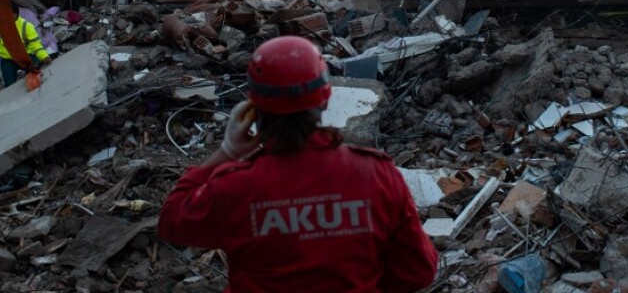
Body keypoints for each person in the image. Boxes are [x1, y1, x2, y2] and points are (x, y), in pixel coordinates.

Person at [157, 36, 438, 293]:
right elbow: (418, 273)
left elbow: (172, 222)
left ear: (254, 106)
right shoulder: (376, 175)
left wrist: (228, 152)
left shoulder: (234, 187)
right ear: (325, 97)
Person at [0, 5, 51, 87]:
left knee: (35, 71)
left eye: (8, 14)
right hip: (7, 59)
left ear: (15, 15)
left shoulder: (26, 26)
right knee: (10, 85)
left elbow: (36, 45)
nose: (5, 17)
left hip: (25, 56)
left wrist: (44, 56)